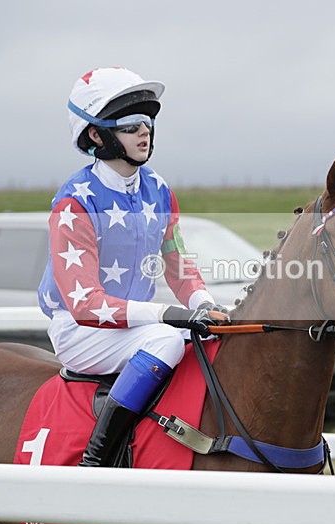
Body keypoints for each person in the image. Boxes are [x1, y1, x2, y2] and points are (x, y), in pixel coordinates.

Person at [37, 67, 228, 467]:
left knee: (214, 339)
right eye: (130, 125)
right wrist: (165, 314)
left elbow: (177, 262)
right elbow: (86, 305)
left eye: (148, 122)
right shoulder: (74, 203)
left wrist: (204, 303)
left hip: (133, 327)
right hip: (82, 330)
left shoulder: (159, 190)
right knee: (167, 340)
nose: (144, 132)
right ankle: (97, 456)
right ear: (96, 135)